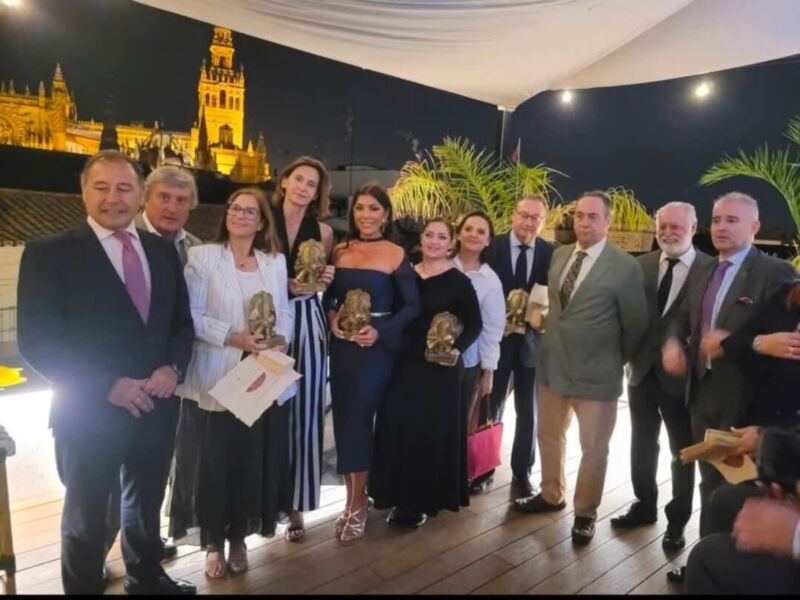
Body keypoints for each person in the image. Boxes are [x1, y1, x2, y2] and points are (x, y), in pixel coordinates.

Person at [17, 150, 195, 595]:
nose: (113, 198)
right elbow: (37, 341)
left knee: (146, 501)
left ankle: (146, 578)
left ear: (140, 195)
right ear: (83, 192)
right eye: (101, 187)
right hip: (88, 410)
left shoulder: (162, 251)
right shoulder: (48, 254)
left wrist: (173, 368)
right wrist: (108, 386)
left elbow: (180, 323)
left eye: (124, 188)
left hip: (156, 404)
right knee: (86, 515)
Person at [662, 191, 796, 583]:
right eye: (717, 220)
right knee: (710, 484)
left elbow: (784, 346)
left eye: (732, 220)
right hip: (701, 394)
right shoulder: (703, 267)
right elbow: (680, 317)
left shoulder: (777, 274)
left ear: (755, 227)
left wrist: (741, 344)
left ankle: (729, 568)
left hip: (746, 406)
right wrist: (673, 343)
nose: (721, 227)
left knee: (739, 488)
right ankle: (706, 561)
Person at [168, 188, 295, 579]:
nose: (241, 215)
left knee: (248, 462)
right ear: (226, 215)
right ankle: (213, 543)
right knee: (212, 464)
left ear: (261, 222)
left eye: (250, 211)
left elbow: (285, 312)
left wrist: (280, 340)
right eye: (235, 208)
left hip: (261, 374)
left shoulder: (274, 262)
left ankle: (239, 537)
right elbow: (191, 314)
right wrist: (232, 337)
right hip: (217, 374)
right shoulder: (203, 257)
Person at [515, 190, 649, 546]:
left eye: (593, 216)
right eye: (579, 216)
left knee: (593, 449)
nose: (584, 222)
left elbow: (636, 326)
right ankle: (551, 494)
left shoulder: (625, 266)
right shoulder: (560, 255)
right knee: (549, 435)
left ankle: (585, 513)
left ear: (607, 221)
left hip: (597, 375)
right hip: (553, 367)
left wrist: (611, 358)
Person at [103, 164, 204, 568]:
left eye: (182, 200)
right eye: (164, 197)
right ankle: (97, 554)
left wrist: (174, 367)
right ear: (145, 198)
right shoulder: (116, 240)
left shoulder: (195, 248)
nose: (172, 207)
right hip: (118, 382)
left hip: (170, 377)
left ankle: (143, 547)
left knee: (153, 472)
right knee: (108, 478)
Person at [610, 202, 714, 551]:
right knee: (641, 443)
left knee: (681, 451)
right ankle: (644, 505)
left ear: (694, 227)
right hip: (641, 372)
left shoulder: (711, 270)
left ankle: (678, 521)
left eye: (676, 227)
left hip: (682, 380)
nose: (667, 233)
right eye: (662, 226)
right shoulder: (640, 265)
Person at [324, 183, 420, 543]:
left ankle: (359, 502)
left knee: (361, 419)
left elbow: (412, 306)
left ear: (386, 214)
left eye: (374, 209)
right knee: (345, 421)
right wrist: (332, 316)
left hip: (375, 350)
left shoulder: (395, 253)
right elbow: (329, 296)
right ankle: (352, 499)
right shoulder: (340, 249)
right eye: (360, 208)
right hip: (343, 349)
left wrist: (381, 332)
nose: (366, 215)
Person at [370, 218, 482, 527]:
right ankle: (393, 495)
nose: (434, 241)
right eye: (429, 235)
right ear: (421, 239)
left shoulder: (459, 282)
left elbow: (475, 324)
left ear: (451, 244)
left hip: (438, 370)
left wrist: (456, 349)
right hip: (402, 364)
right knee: (397, 427)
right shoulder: (404, 274)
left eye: (441, 237)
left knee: (427, 434)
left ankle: (419, 503)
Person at [471, 196, 555, 496]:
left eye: (535, 218)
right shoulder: (490, 248)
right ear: (513, 215)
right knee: (490, 406)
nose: (528, 222)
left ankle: (523, 472)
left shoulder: (551, 253)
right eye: (524, 215)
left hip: (533, 345)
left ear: (543, 222)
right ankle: (482, 471)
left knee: (529, 412)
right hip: (495, 343)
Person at [270, 156, 335, 542]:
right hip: (267, 320)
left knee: (305, 413)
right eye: (299, 179)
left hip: (308, 320)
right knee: (262, 409)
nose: (303, 188)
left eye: (312, 184)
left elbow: (324, 283)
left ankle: (296, 503)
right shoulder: (261, 220)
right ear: (284, 182)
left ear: (317, 193)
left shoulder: (324, 233)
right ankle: (263, 499)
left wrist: (327, 276)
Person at [452, 211, 506, 453]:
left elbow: (492, 329)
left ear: (488, 241)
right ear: (458, 234)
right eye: (468, 229)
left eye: (481, 232)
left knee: (458, 426)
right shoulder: (440, 264)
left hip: (467, 362)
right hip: (429, 358)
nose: (473, 235)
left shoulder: (490, 280)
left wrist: (488, 371)